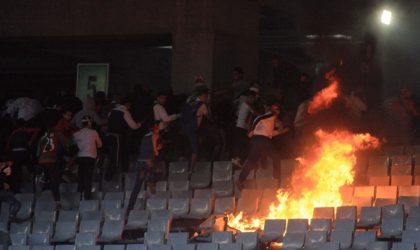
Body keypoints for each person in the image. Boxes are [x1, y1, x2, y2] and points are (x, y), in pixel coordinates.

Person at [237, 102, 289, 189]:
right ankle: (277, 181)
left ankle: (240, 180)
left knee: (252, 160)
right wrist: (252, 130)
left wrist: (282, 131)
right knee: (276, 157)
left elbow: (270, 133)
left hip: (257, 140)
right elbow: (258, 118)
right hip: (262, 140)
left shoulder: (269, 121)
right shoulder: (270, 115)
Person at [126, 120, 161, 211]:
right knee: (156, 176)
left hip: (140, 162)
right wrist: (157, 149)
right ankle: (150, 184)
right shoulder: (155, 135)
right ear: (155, 127)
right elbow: (154, 149)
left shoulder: (144, 136)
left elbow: (144, 149)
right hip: (148, 162)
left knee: (137, 187)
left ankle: (130, 208)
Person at [105, 97, 141, 180]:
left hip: (108, 136)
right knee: (116, 156)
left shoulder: (112, 111)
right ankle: (111, 177)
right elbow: (133, 126)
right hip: (117, 137)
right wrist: (139, 125)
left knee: (111, 156)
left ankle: (109, 176)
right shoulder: (125, 112)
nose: (130, 107)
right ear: (126, 105)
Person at [181, 85, 210, 170]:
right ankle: (191, 169)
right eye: (206, 96)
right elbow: (208, 116)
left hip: (184, 127)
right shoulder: (202, 105)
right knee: (195, 150)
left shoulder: (189, 101)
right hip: (192, 128)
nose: (206, 97)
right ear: (202, 96)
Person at [73, 116, 102, 200]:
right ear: (89, 123)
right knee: (88, 177)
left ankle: (79, 196)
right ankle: (87, 197)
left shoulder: (76, 133)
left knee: (81, 176)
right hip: (90, 157)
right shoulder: (94, 132)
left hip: (80, 157)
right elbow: (100, 144)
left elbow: (73, 144)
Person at [5, 120, 39, 193]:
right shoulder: (25, 130)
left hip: (14, 154)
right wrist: (31, 141)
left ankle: (16, 190)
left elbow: (8, 146)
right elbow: (36, 130)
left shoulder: (13, 134)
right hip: (24, 153)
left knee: (15, 172)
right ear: (24, 125)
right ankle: (35, 184)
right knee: (31, 168)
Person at [37, 119, 65, 204]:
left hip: (42, 160)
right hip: (52, 160)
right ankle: (57, 201)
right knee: (55, 181)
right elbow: (67, 144)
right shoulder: (58, 135)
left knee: (47, 176)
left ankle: (44, 180)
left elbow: (38, 152)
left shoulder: (43, 137)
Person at [232, 90, 256, 167]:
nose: (253, 100)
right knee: (248, 145)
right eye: (252, 98)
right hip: (240, 128)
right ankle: (238, 160)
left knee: (244, 145)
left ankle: (238, 160)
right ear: (248, 97)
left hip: (242, 129)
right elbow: (255, 113)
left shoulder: (245, 105)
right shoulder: (246, 105)